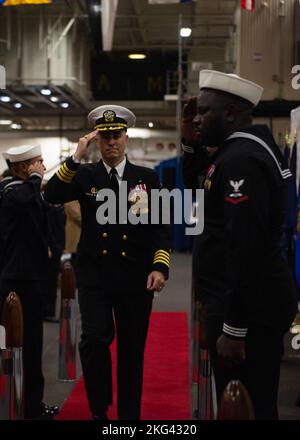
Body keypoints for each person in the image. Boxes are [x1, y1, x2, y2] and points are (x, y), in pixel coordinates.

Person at [181, 70, 298, 420]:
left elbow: (246, 250)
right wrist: (191, 141)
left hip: (248, 309)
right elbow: (201, 188)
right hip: (248, 302)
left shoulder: (241, 160)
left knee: (244, 404)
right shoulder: (241, 150)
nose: (197, 118)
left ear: (230, 113)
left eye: (204, 112)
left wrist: (234, 328)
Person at [45, 105, 171, 420]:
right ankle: (99, 409)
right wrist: (76, 156)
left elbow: (159, 227)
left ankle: (129, 416)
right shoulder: (86, 174)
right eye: (104, 137)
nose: (111, 142)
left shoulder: (146, 178)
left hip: (134, 278)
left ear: (126, 137)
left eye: (116, 135)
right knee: (93, 342)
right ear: (97, 141)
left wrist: (160, 266)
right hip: (95, 277)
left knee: (131, 351)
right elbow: (52, 195)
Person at [0, 145, 58, 419]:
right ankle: (19, 403)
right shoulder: (11, 188)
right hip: (15, 279)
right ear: (24, 167)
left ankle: (31, 405)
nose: (43, 166)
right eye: (38, 162)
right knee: (12, 342)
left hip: (29, 275)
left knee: (31, 346)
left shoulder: (26, 189)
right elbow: (22, 201)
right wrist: (35, 180)